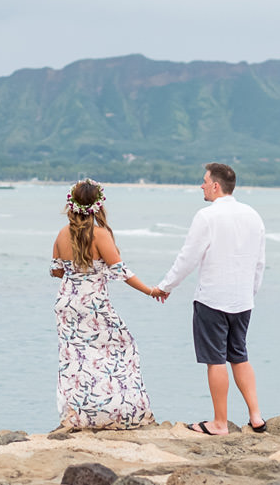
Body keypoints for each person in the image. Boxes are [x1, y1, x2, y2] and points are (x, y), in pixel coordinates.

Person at [154, 162, 267, 435]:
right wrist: (249, 293)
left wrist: (166, 286)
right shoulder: (253, 215)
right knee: (239, 355)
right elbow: (260, 262)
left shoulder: (206, 216)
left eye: (204, 181)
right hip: (243, 301)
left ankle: (219, 423)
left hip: (212, 299)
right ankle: (256, 416)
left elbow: (188, 257)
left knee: (215, 360)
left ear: (216, 186)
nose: (201, 185)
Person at [51, 178, 161, 429]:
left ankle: (79, 414)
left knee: (76, 360)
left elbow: (56, 270)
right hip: (93, 304)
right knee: (122, 349)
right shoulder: (100, 235)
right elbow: (122, 272)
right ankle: (116, 412)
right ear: (98, 206)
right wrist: (150, 291)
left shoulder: (61, 233)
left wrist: (75, 269)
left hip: (67, 304)